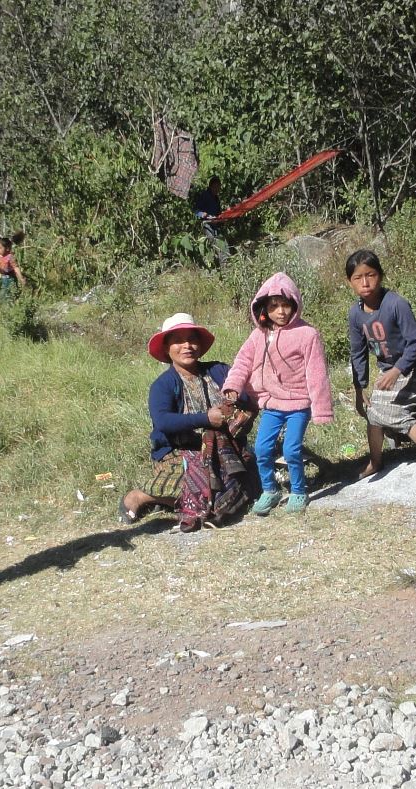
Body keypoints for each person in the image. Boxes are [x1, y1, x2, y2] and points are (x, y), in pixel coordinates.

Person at [118, 313, 258, 533]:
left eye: (192, 339)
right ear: (166, 348)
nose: (187, 346)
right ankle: (141, 496)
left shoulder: (219, 371)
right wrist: (206, 419)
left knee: (248, 478)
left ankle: (197, 501)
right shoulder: (163, 385)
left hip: (225, 451)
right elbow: (163, 421)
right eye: (178, 341)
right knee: (203, 487)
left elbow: (245, 394)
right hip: (180, 453)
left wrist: (240, 408)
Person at [223, 272, 333, 515]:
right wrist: (233, 385)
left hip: (298, 403)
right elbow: (242, 362)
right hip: (271, 404)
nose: (281, 311)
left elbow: (317, 374)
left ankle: (298, 490)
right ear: (263, 308)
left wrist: (322, 410)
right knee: (262, 449)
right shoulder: (258, 335)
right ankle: (270, 490)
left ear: (295, 305)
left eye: (285, 305)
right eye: (274, 306)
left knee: (291, 449)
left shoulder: (307, 334)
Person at [346, 249, 416, 486]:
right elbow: (358, 352)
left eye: (370, 275)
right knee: (373, 413)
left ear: (380, 275)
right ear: (349, 282)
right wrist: (360, 386)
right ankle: (376, 461)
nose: (365, 282)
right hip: (390, 369)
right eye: (358, 277)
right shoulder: (355, 314)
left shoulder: (396, 304)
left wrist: (397, 370)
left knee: (396, 412)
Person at [193, 176, 229, 263]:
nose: (217, 189)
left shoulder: (216, 199)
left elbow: (218, 214)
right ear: (211, 186)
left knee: (223, 244)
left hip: (214, 225)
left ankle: (225, 264)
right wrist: (202, 214)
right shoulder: (205, 195)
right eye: (215, 187)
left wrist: (223, 217)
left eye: (219, 187)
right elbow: (195, 210)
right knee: (214, 243)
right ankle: (219, 264)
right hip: (206, 224)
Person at [0, 232, 27, 301]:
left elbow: (16, 268)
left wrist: (21, 278)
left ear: (7, 248)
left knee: (4, 296)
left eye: (0, 248)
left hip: (10, 279)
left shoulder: (10, 257)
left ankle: (10, 307)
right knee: (6, 295)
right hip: (2, 279)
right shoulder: (1, 256)